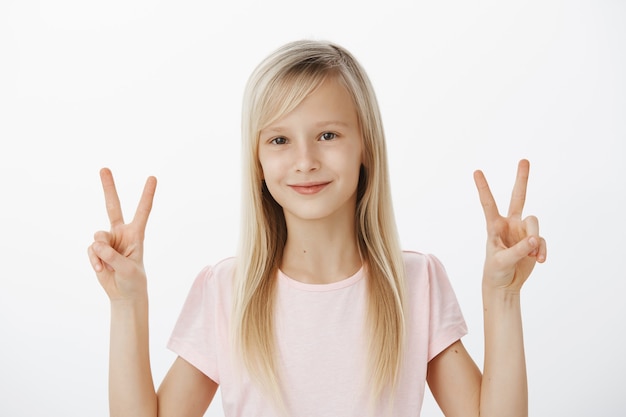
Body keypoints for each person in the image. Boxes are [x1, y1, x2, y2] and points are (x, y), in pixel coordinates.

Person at [87, 40, 547, 417]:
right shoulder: (226, 291)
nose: (305, 161)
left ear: (366, 146)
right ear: (258, 161)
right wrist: (126, 303)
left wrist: (502, 296)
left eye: (328, 135)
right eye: (280, 140)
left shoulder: (417, 284)